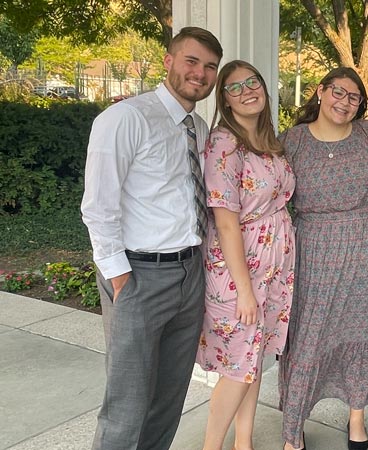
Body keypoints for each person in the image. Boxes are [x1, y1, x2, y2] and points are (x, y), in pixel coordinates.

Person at [80, 27, 222, 450]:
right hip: (140, 274)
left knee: (169, 397)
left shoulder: (197, 126)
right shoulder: (126, 118)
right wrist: (120, 279)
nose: (200, 73)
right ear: (168, 61)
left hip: (189, 272)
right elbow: (98, 206)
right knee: (127, 400)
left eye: (210, 66)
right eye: (191, 61)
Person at [278, 67, 368, 450]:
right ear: (321, 92)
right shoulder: (292, 141)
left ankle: (356, 420)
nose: (344, 101)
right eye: (338, 92)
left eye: (354, 97)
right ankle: (293, 431)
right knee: (309, 338)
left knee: (362, 333)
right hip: (316, 251)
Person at [195, 60, 295, 450]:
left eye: (252, 82)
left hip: (273, 267)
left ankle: (244, 443)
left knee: (252, 362)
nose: (247, 90)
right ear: (224, 99)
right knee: (238, 364)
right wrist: (244, 290)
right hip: (239, 273)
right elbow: (224, 221)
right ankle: (212, 447)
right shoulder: (224, 142)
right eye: (235, 87)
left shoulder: (269, 141)